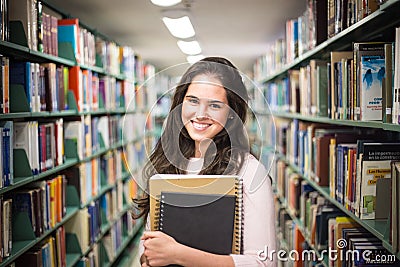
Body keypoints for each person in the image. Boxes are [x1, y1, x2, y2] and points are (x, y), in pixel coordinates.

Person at [133, 57, 276, 266]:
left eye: (215, 105)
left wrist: (178, 255)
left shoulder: (250, 172)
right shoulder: (167, 161)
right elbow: (150, 235)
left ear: (231, 114)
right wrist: (147, 255)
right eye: (192, 101)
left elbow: (264, 263)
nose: (200, 114)